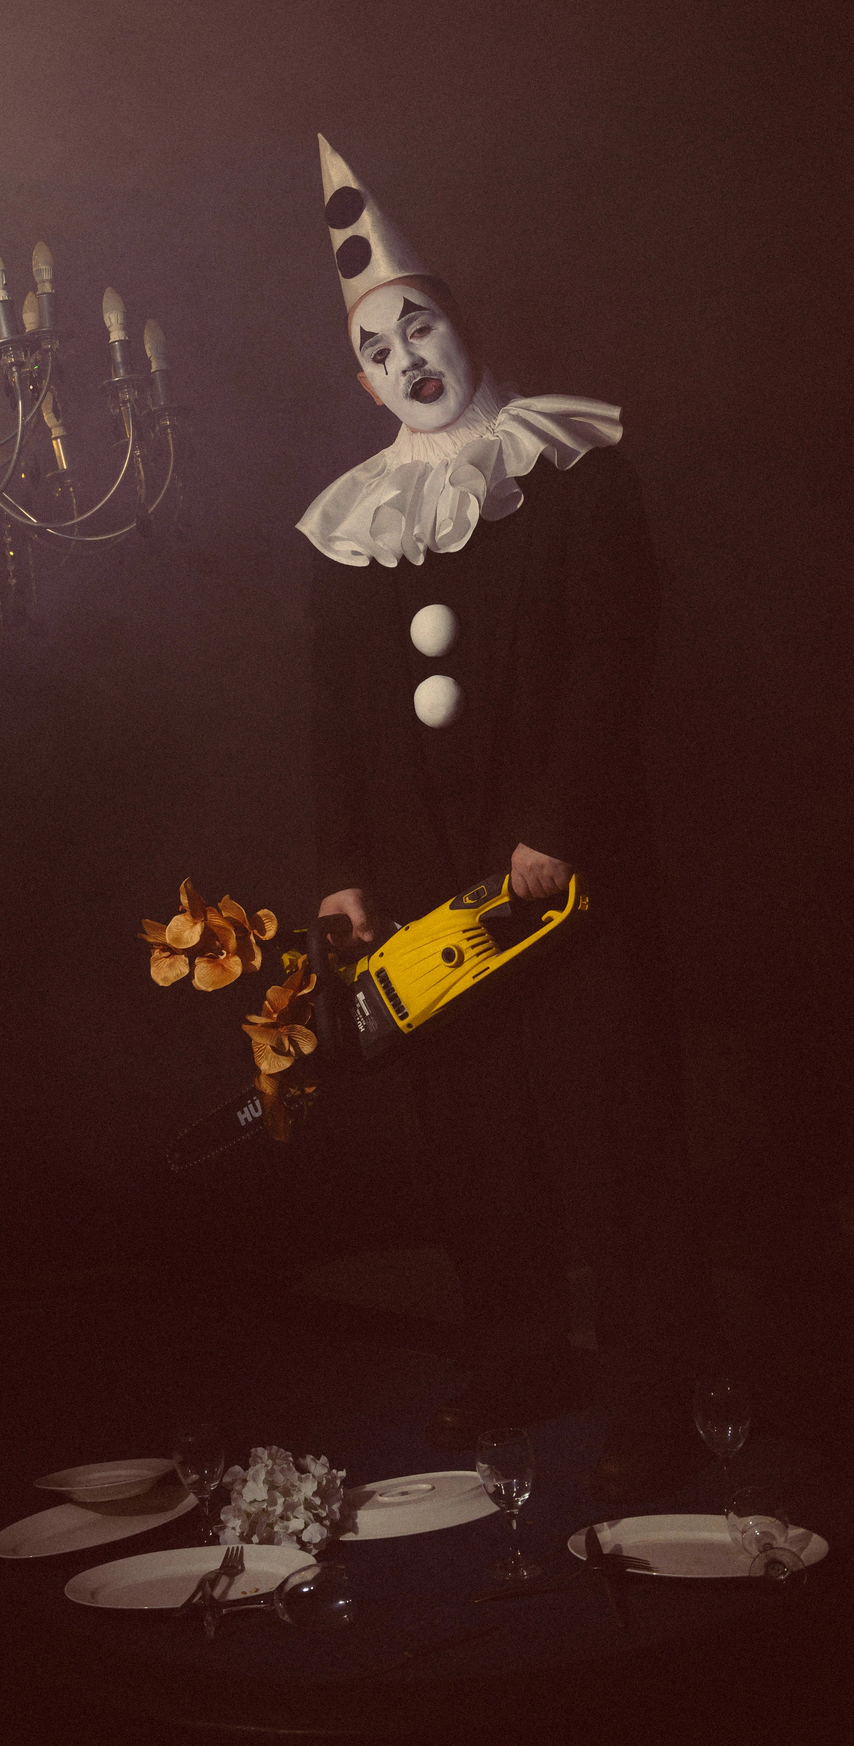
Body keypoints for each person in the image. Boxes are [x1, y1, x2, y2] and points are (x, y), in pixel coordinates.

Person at [300, 137, 716, 1500]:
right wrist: (347, 869)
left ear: (462, 321)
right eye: (379, 350)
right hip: (429, 880)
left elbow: (614, 655)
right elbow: (337, 712)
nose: (408, 360)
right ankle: (521, 1357)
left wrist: (558, 823)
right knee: (476, 1137)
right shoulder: (351, 526)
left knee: (612, 1134)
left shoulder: (577, 472)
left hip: (560, 871)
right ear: (363, 379)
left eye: (420, 327)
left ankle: (657, 1398)